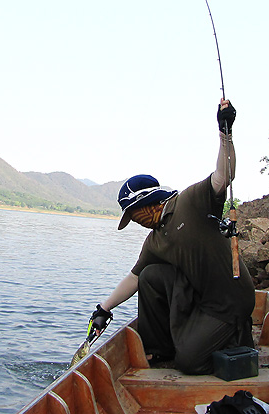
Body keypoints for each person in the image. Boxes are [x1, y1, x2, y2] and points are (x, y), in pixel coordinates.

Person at [87, 99, 255, 375]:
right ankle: (161, 348)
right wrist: (103, 308)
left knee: (189, 361)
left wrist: (225, 133)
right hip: (202, 300)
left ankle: (236, 334)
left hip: (230, 302)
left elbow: (224, 176)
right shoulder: (154, 240)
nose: (135, 223)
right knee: (151, 275)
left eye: (134, 215)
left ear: (149, 203)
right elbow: (134, 278)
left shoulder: (192, 201)